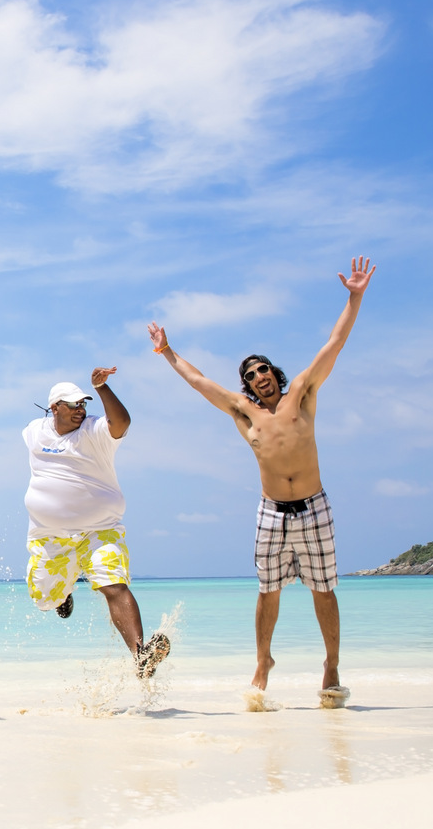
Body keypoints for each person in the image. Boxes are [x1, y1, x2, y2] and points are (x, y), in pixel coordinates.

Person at [148, 256, 376, 706]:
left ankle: (330, 665)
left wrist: (355, 297)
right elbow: (198, 381)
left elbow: (336, 342)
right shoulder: (244, 412)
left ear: (276, 373)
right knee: (267, 590)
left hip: (314, 506)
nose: (258, 378)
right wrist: (167, 351)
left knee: (323, 588)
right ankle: (263, 661)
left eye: (263, 370)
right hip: (272, 512)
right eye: (250, 375)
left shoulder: (303, 395)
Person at [22, 371, 169, 679]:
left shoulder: (94, 432)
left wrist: (101, 387)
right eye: (73, 404)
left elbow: (122, 423)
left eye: (83, 403)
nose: (81, 409)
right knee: (44, 601)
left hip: (101, 530)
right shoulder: (34, 431)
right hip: (50, 537)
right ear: (55, 407)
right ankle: (62, 593)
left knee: (114, 585)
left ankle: (141, 656)